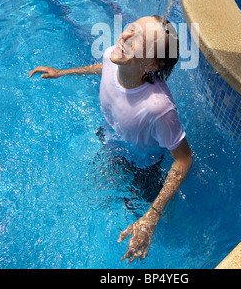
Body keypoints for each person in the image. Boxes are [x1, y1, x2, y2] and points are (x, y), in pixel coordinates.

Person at [29, 15, 193, 263]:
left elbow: (184, 160)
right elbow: (102, 68)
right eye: (130, 28)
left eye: (139, 39)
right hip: (111, 140)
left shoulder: (158, 108)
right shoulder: (110, 56)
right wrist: (62, 73)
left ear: (152, 64)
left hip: (143, 167)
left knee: (135, 223)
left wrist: (153, 215)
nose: (126, 36)